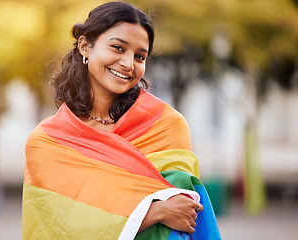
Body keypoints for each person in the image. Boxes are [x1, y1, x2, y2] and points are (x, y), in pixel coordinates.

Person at [22, 2, 221, 240]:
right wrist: (151, 213)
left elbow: (181, 215)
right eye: (118, 48)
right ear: (85, 46)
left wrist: (156, 213)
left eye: (139, 56)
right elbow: (57, 228)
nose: (128, 64)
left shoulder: (165, 126)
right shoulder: (47, 142)